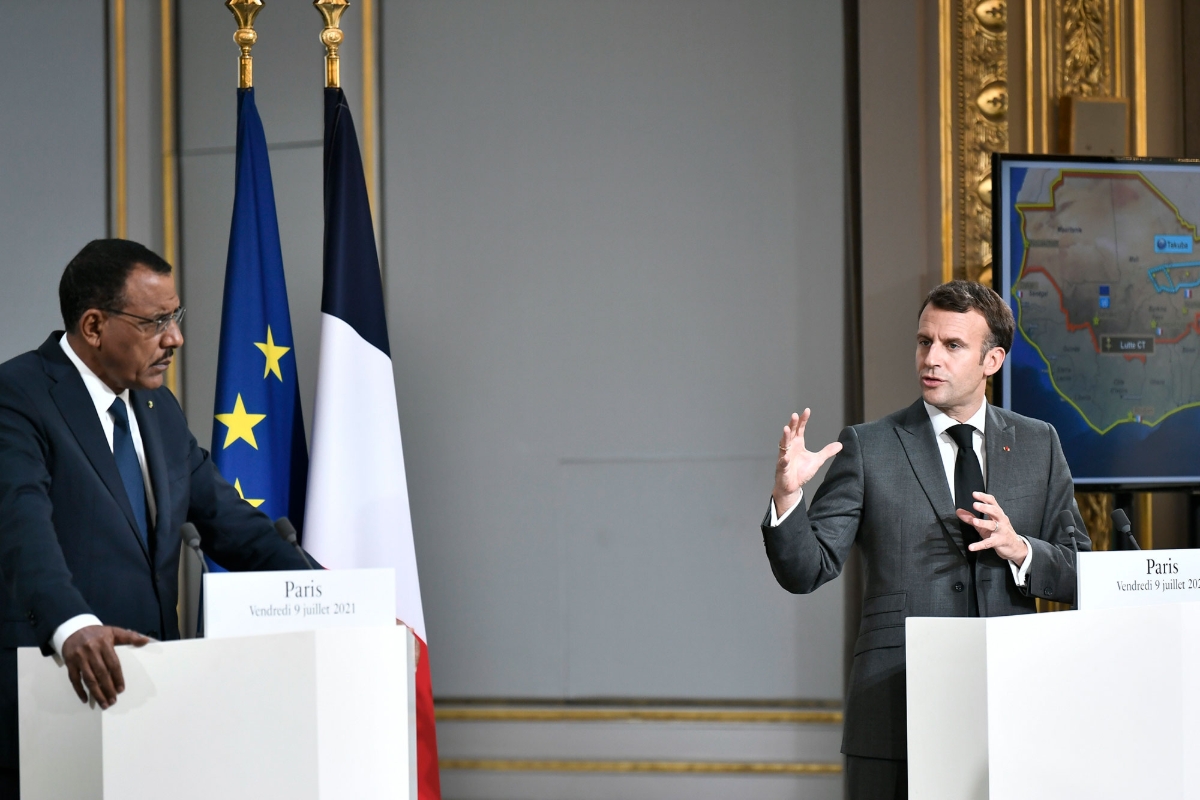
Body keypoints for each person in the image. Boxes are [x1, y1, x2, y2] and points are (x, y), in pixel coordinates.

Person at [0, 239, 318, 795]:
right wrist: (72, 623)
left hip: (153, 699)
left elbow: (230, 523)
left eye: (176, 317)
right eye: (155, 322)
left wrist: (333, 599)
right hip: (51, 695)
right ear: (94, 326)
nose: (175, 338)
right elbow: (20, 523)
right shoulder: (19, 395)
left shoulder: (156, 407)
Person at [762, 280, 1089, 800]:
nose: (930, 358)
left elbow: (1081, 574)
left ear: (993, 360)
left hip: (1009, 713)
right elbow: (806, 570)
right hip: (897, 714)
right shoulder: (868, 446)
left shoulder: (1038, 444)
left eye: (952, 345)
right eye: (923, 342)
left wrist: (1020, 549)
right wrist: (787, 499)